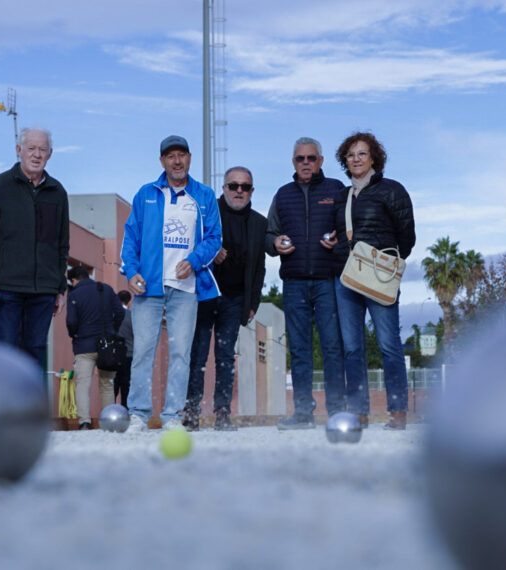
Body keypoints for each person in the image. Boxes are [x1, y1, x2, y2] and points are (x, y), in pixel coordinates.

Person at [120, 135, 223, 432]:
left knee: (181, 353)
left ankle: (173, 416)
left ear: (189, 158)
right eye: (170, 156)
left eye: (182, 155)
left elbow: (214, 238)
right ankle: (138, 414)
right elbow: (131, 238)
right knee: (143, 351)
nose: (177, 161)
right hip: (148, 287)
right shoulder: (146, 194)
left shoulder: (204, 195)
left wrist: (194, 261)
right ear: (162, 161)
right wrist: (132, 272)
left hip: (186, 289)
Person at [332, 132, 416, 430]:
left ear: (374, 158)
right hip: (347, 278)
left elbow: (407, 238)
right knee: (352, 348)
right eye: (350, 154)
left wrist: (383, 260)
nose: (356, 159)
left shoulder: (392, 190)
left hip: (380, 276)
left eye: (362, 153)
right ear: (345, 160)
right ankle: (359, 412)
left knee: (389, 345)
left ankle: (398, 411)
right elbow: (339, 236)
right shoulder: (342, 196)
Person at [0, 126, 70, 367]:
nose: (37, 154)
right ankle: (4, 393)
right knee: (7, 348)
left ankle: (29, 394)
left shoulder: (58, 192)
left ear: (50, 154)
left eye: (43, 149)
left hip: (44, 289)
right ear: (19, 150)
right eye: (31, 148)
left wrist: (59, 288)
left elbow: (61, 245)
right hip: (8, 287)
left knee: (35, 350)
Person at [266, 137, 346, 430]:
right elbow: (269, 234)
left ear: (321, 161)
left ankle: (336, 411)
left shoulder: (336, 189)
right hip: (294, 283)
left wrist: (339, 240)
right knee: (299, 350)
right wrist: (274, 243)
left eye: (311, 158)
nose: (306, 163)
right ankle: (303, 413)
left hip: (328, 281)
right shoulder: (283, 194)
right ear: (293, 162)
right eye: (300, 158)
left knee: (332, 348)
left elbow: (349, 229)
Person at [183, 166, 267, 432]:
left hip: (235, 299)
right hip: (204, 295)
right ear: (224, 188)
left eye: (245, 186)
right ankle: (192, 411)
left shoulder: (259, 223)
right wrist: (211, 252)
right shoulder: (207, 213)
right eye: (233, 186)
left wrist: (253, 303)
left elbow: (260, 268)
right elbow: (190, 246)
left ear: (251, 190)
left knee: (225, 357)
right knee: (197, 356)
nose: (239, 191)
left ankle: (222, 413)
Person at [65, 267, 125, 430]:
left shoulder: (74, 294)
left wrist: (75, 335)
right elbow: (120, 312)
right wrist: (111, 331)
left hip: (84, 345)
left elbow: (71, 321)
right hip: (107, 345)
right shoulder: (106, 289)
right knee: (107, 384)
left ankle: (84, 422)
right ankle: (109, 422)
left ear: (74, 280)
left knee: (83, 384)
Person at [113, 289, 133, 407]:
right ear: (129, 301)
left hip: (113, 355)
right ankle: (125, 411)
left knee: (112, 386)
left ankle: (110, 411)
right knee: (126, 386)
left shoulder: (111, 315)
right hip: (129, 354)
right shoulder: (132, 316)